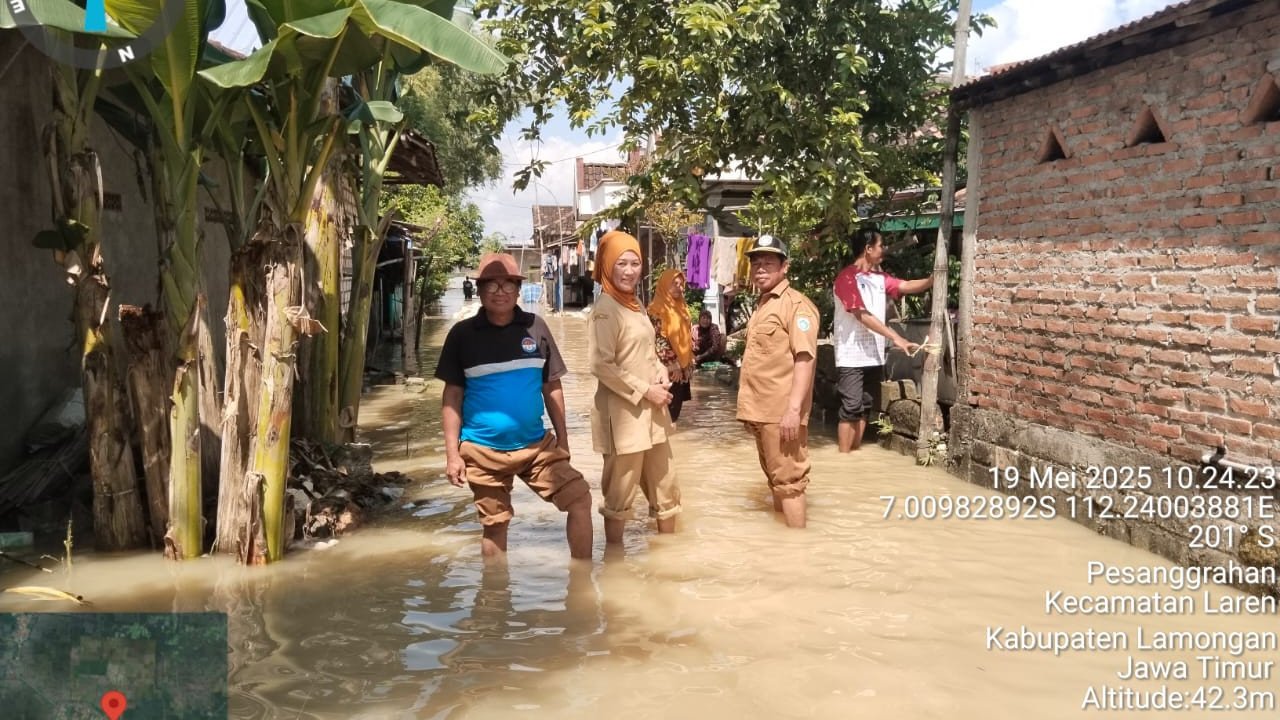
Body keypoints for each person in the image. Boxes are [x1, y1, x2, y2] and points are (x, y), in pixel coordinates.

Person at [435, 252, 592, 560]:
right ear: (479, 291)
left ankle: (583, 585)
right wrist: (453, 455)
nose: (500, 291)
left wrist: (563, 439)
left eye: (508, 284)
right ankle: (495, 601)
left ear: (519, 290)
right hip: (481, 451)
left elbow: (552, 387)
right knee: (495, 525)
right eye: (491, 285)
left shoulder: (537, 328)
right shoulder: (462, 336)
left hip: (537, 446)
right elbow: (451, 397)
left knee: (580, 499)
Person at [589, 230, 682, 544]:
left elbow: (646, 352)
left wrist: (660, 372)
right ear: (607, 266)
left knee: (666, 488)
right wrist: (646, 389)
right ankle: (614, 565)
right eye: (621, 264)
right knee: (620, 496)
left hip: (653, 413)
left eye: (635, 263)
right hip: (624, 419)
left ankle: (668, 561)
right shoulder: (605, 310)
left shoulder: (635, 305)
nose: (629, 271)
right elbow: (601, 365)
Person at [736, 234, 820, 529]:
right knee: (776, 480)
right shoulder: (762, 305)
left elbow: (804, 359)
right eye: (756, 263)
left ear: (785, 267)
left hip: (781, 412)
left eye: (768, 263)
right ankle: (781, 544)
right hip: (761, 411)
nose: (760, 268)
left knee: (790, 482)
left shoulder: (797, 306)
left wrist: (794, 411)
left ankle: (797, 551)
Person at [832, 225, 933, 453]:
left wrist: (930, 281)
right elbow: (862, 315)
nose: (883, 249)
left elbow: (904, 286)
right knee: (850, 407)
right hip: (851, 355)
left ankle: (853, 454)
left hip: (874, 354)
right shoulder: (846, 278)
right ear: (868, 249)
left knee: (865, 405)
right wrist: (896, 338)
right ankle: (843, 459)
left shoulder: (879, 278)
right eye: (880, 245)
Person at [648, 268, 695, 423]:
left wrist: (688, 363)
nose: (679, 287)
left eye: (681, 284)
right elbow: (657, 339)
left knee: (673, 415)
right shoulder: (656, 310)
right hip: (665, 369)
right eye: (674, 283)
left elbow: (686, 337)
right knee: (663, 416)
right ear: (664, 285)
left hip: (681, 369)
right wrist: (672, 364)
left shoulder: (682, 308)